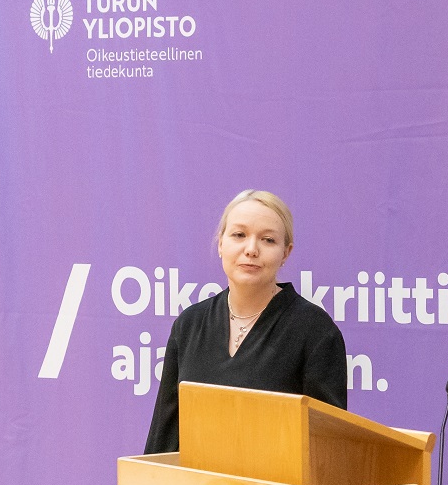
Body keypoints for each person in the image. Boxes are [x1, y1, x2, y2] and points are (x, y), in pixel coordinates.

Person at [144, 189, 347, 454]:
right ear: (221, 244)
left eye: (268, 240)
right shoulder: (189, 325)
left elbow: (329, 446)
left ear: (285, 253)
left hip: (276, 481)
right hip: (198, 482)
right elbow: (165, 435)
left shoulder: (315, 331)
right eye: (239, 235)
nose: (251, 250)